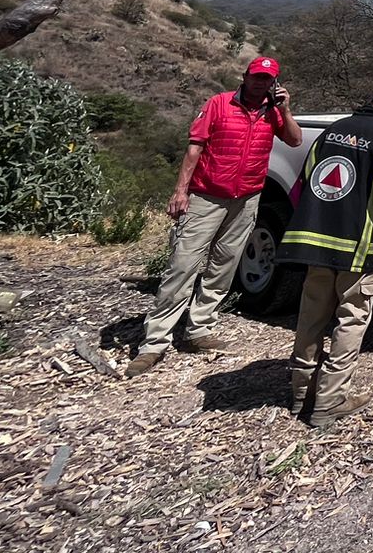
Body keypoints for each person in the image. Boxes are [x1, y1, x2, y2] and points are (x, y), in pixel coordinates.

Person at [125, 55, 303, 377]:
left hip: (247, 199)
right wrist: (181, 191)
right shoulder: (219, 104)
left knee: (225, 264)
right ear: (245, 77)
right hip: (207, 196)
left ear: (274, 83)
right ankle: (154, 343)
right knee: (183, 264)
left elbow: (294, 139)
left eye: (268, 79)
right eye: (256, 77)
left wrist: (285, 109)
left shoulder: (274, 112)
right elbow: (195, 146)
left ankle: (199, 329)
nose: (261, 83)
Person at [280, 84, 373, 429]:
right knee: (351, 320)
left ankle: (300, 394)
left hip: (316, 243)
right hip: (359, 247)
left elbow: (309, 178)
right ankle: (329, 402)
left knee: (311, 317)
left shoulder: (334, 129)